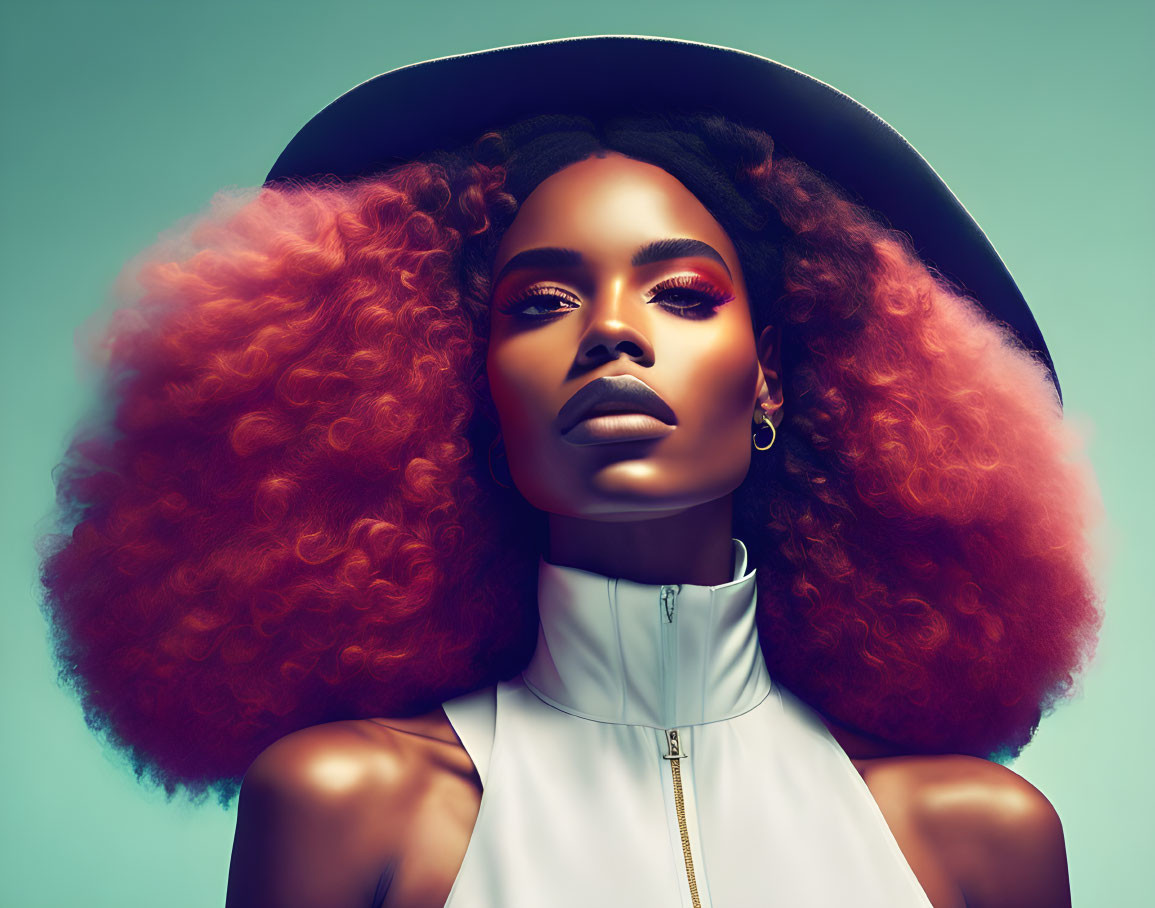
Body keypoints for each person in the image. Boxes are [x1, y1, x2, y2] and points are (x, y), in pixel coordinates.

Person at [37, 37, 1101, 908]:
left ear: (770, 375)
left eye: (681, 293)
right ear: (466, 388)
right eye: (539, 303)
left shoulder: (976, 842)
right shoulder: (351, 806)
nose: (610, 336)